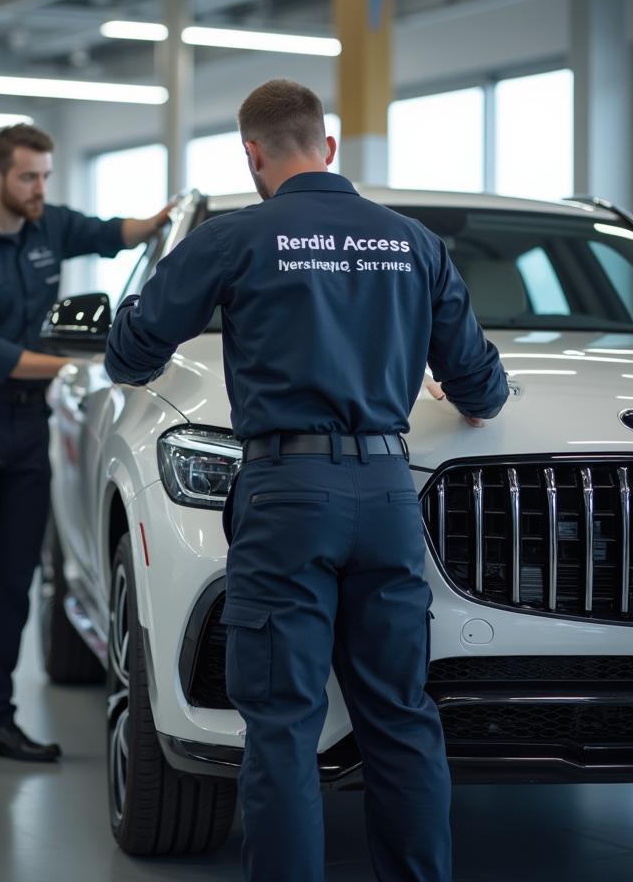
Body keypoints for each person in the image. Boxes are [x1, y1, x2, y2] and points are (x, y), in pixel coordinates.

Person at [104, 79, 509, 882]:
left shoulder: (240, 238)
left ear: (252, 155)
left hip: (287, 496)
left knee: (285, 725)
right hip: (392, 495)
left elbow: (131, 353)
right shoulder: (412, 243)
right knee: (399, 716)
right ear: (328, 146)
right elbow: (483, 390)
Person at [0, 122, 173, 779]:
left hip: (27, 429)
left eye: (46, 177)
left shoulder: (46, 226)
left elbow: (111, 233)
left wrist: (168, 218)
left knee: (12, 582)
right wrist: (65, 368)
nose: (40, 189)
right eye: (29, 177)